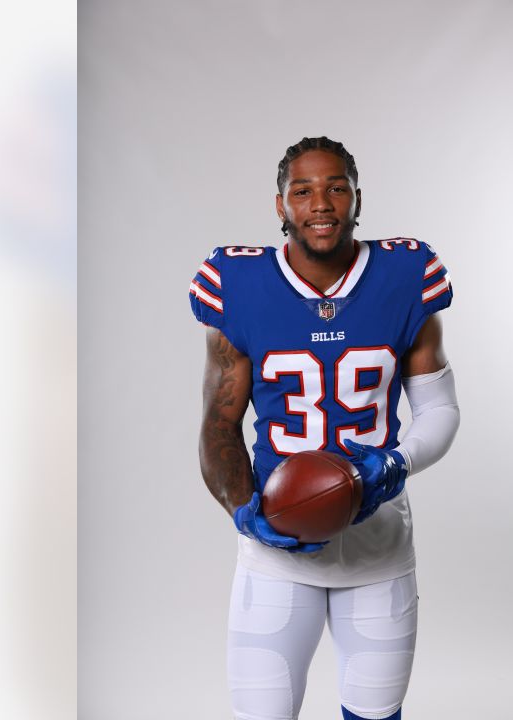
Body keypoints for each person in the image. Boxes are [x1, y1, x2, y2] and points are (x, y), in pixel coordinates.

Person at [189, 136, 461, 720]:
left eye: (336, 187)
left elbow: (440, 410)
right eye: (303, 190)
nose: (321, 203)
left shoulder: (405, 273)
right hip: (276, 556)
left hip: (380, 547)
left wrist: (393, 464)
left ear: (357, 198)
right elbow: (219, 422)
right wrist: (246, 511)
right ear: (280, 205)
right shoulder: (238, 282)